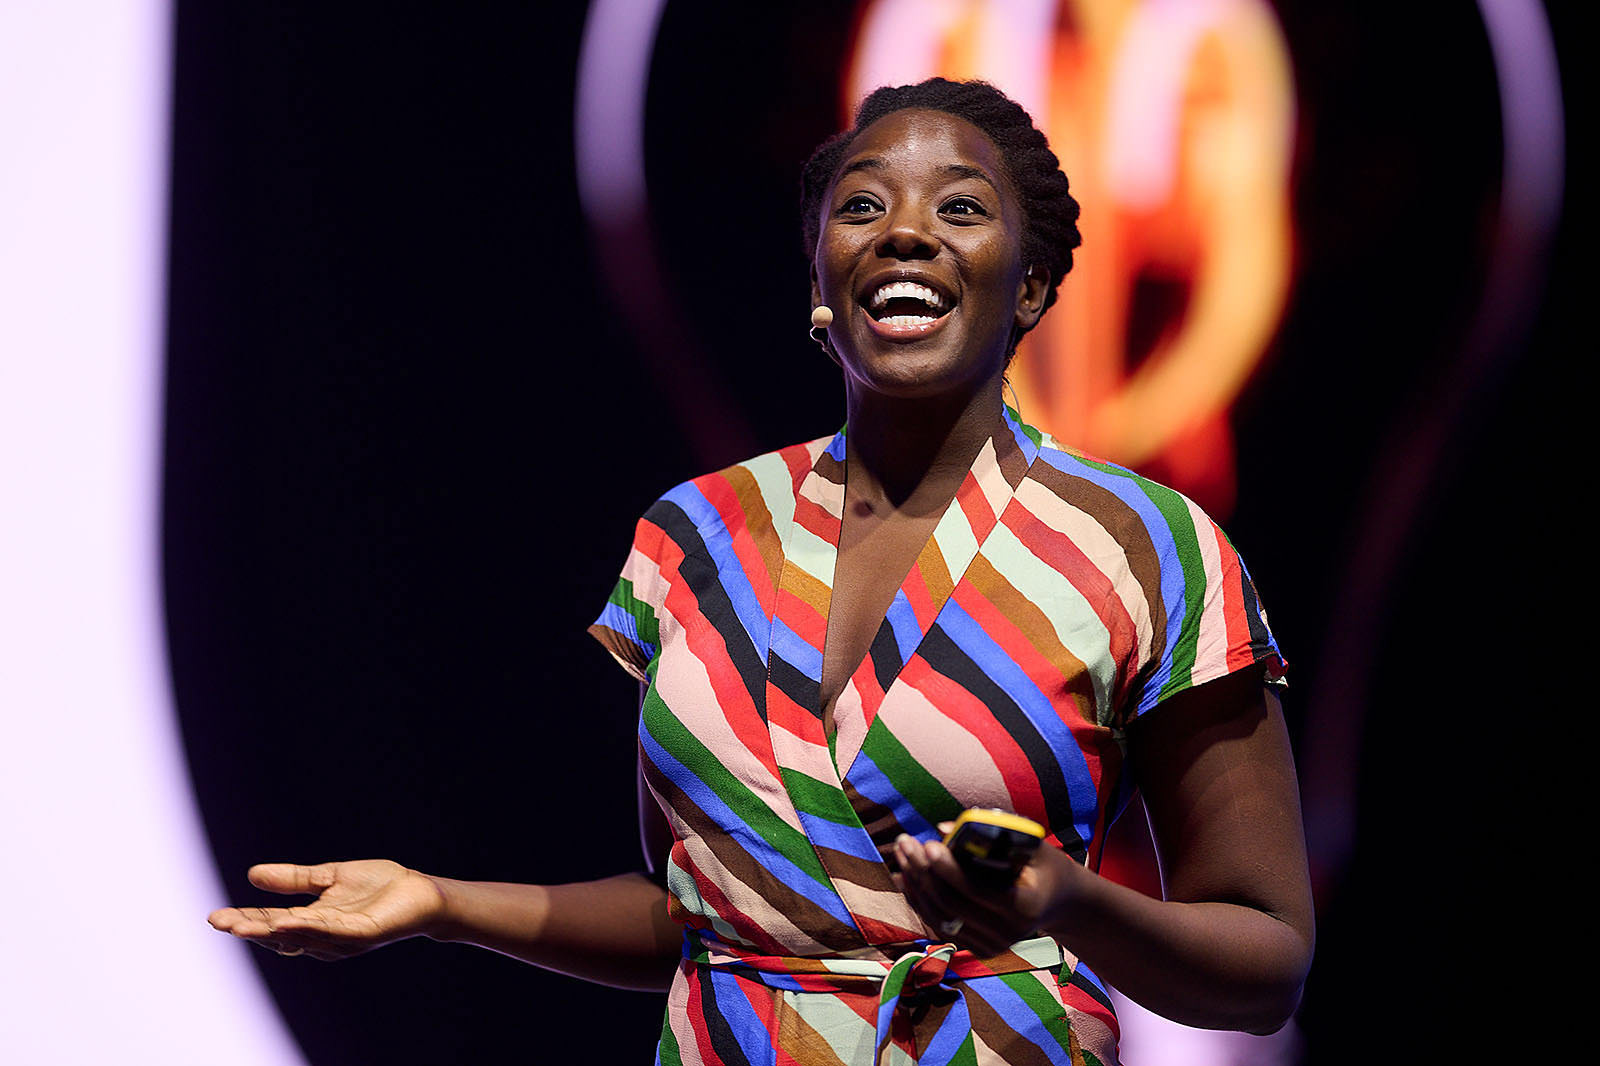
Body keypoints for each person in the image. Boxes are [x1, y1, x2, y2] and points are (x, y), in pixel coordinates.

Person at [210, 78, 1314, 1066]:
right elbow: (701, 911)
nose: (907, 235)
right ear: (820, 275)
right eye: (865, 206)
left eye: (961, 208)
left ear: (1027, 289)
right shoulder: (699, 535)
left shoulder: (1137, 543)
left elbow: (1264, 968)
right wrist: (440, 902)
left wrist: (1070, 901)